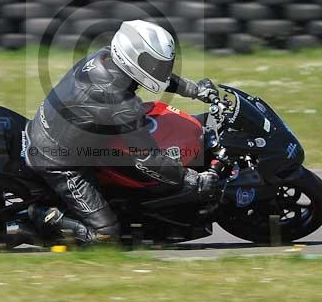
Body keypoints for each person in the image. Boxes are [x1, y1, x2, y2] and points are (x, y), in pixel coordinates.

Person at [25, 19, 220, 244]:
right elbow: (147, 158)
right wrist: (191, 180)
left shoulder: (105, 57)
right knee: (105, 236)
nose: (161, 70)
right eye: (155, 63)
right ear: (133, 56)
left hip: (65, 134)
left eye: (163, 64)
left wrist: (194, 89)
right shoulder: (118, 102)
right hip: (58, 161)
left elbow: (155, 76)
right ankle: (40, 214)